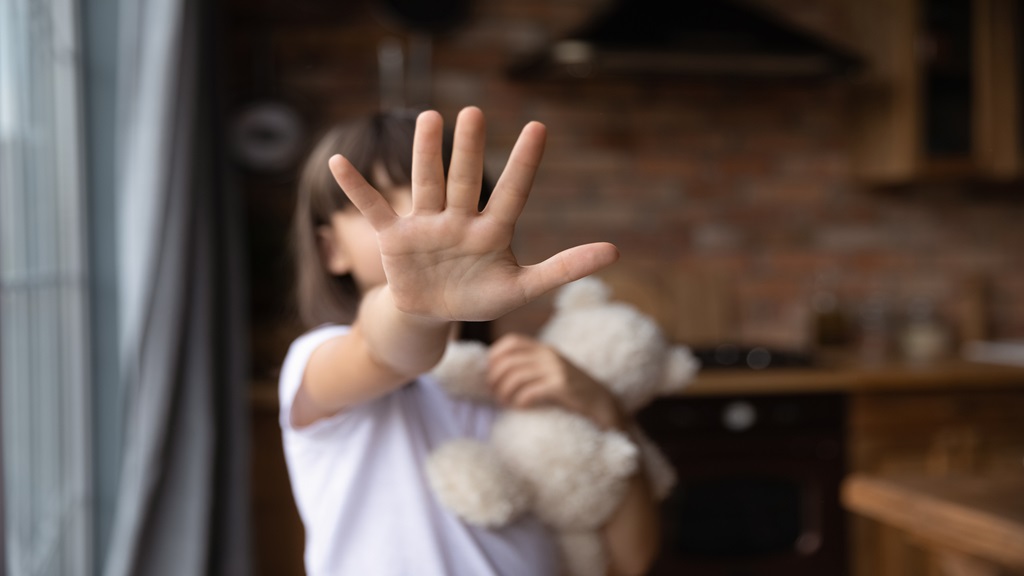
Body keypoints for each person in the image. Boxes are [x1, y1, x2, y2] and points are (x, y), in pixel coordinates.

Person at [279, 106, 659, 576]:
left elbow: (631, 560)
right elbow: (383, 348)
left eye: (431, 200)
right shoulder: (315, 360)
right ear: (330, 250)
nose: (419, 222)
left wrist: (607, 412)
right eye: (379, 205)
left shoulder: (529, 376)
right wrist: (420, 307)